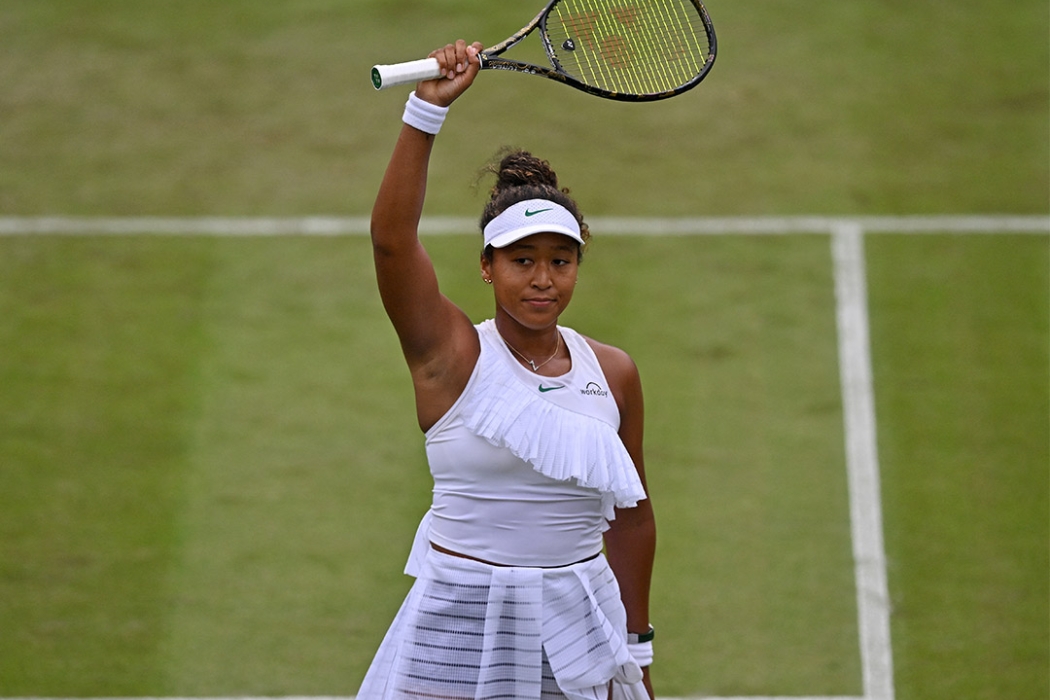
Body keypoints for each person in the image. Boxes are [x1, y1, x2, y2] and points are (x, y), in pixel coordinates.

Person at [358, 39, 657, 700]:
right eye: (523, 261)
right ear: (487, 267)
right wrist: (424, 113)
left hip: (577, 622)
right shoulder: (451, 355)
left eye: (561, 260)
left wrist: (638, 647)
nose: (543, 279)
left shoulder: (614, 372)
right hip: (460, 620)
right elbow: (391, 241)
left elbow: (631, 516)